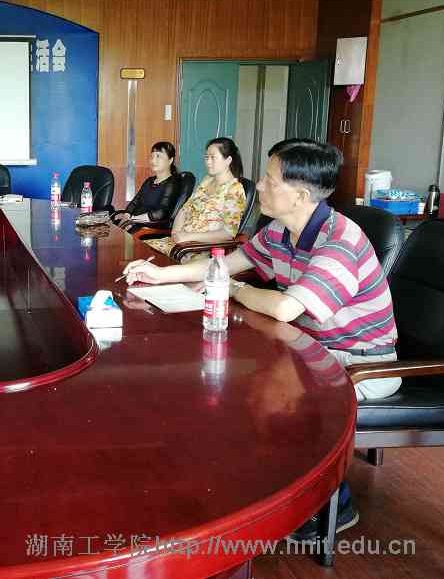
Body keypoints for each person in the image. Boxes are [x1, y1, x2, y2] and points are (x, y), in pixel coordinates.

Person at [124, 140, 400, 541]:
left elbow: (286, 308)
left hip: (359, 363)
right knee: (228, 377)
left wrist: (233, 289)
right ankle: (250, 487)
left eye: (270, 181)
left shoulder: (338, 240)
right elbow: (226, 263)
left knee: (264, 393)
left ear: (300, 195)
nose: (261, 187)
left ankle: (333, 504)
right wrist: (159, 274)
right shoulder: (282, 230)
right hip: (310, 347)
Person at [146, 137, 247, 257]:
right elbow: (185, 209)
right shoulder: (207, 181)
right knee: (140, 249)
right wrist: (175, 233)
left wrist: (188, 237)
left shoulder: (235, 190)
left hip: (199, 248)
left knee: (146, 259)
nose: (208, 162)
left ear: (228, 160)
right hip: (179, 243)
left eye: (213, 157)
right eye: (206, 157)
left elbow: (227, 234)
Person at [112, 142, 181, 231]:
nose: (153, 160)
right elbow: (134, 202)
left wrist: (132, 220)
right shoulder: (149, 181)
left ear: (170, 160)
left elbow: (160, 213)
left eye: (158, 156)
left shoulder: (172, 184)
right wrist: (126, 217)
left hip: (149, 228)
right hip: (133, 223)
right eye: (152, 156)